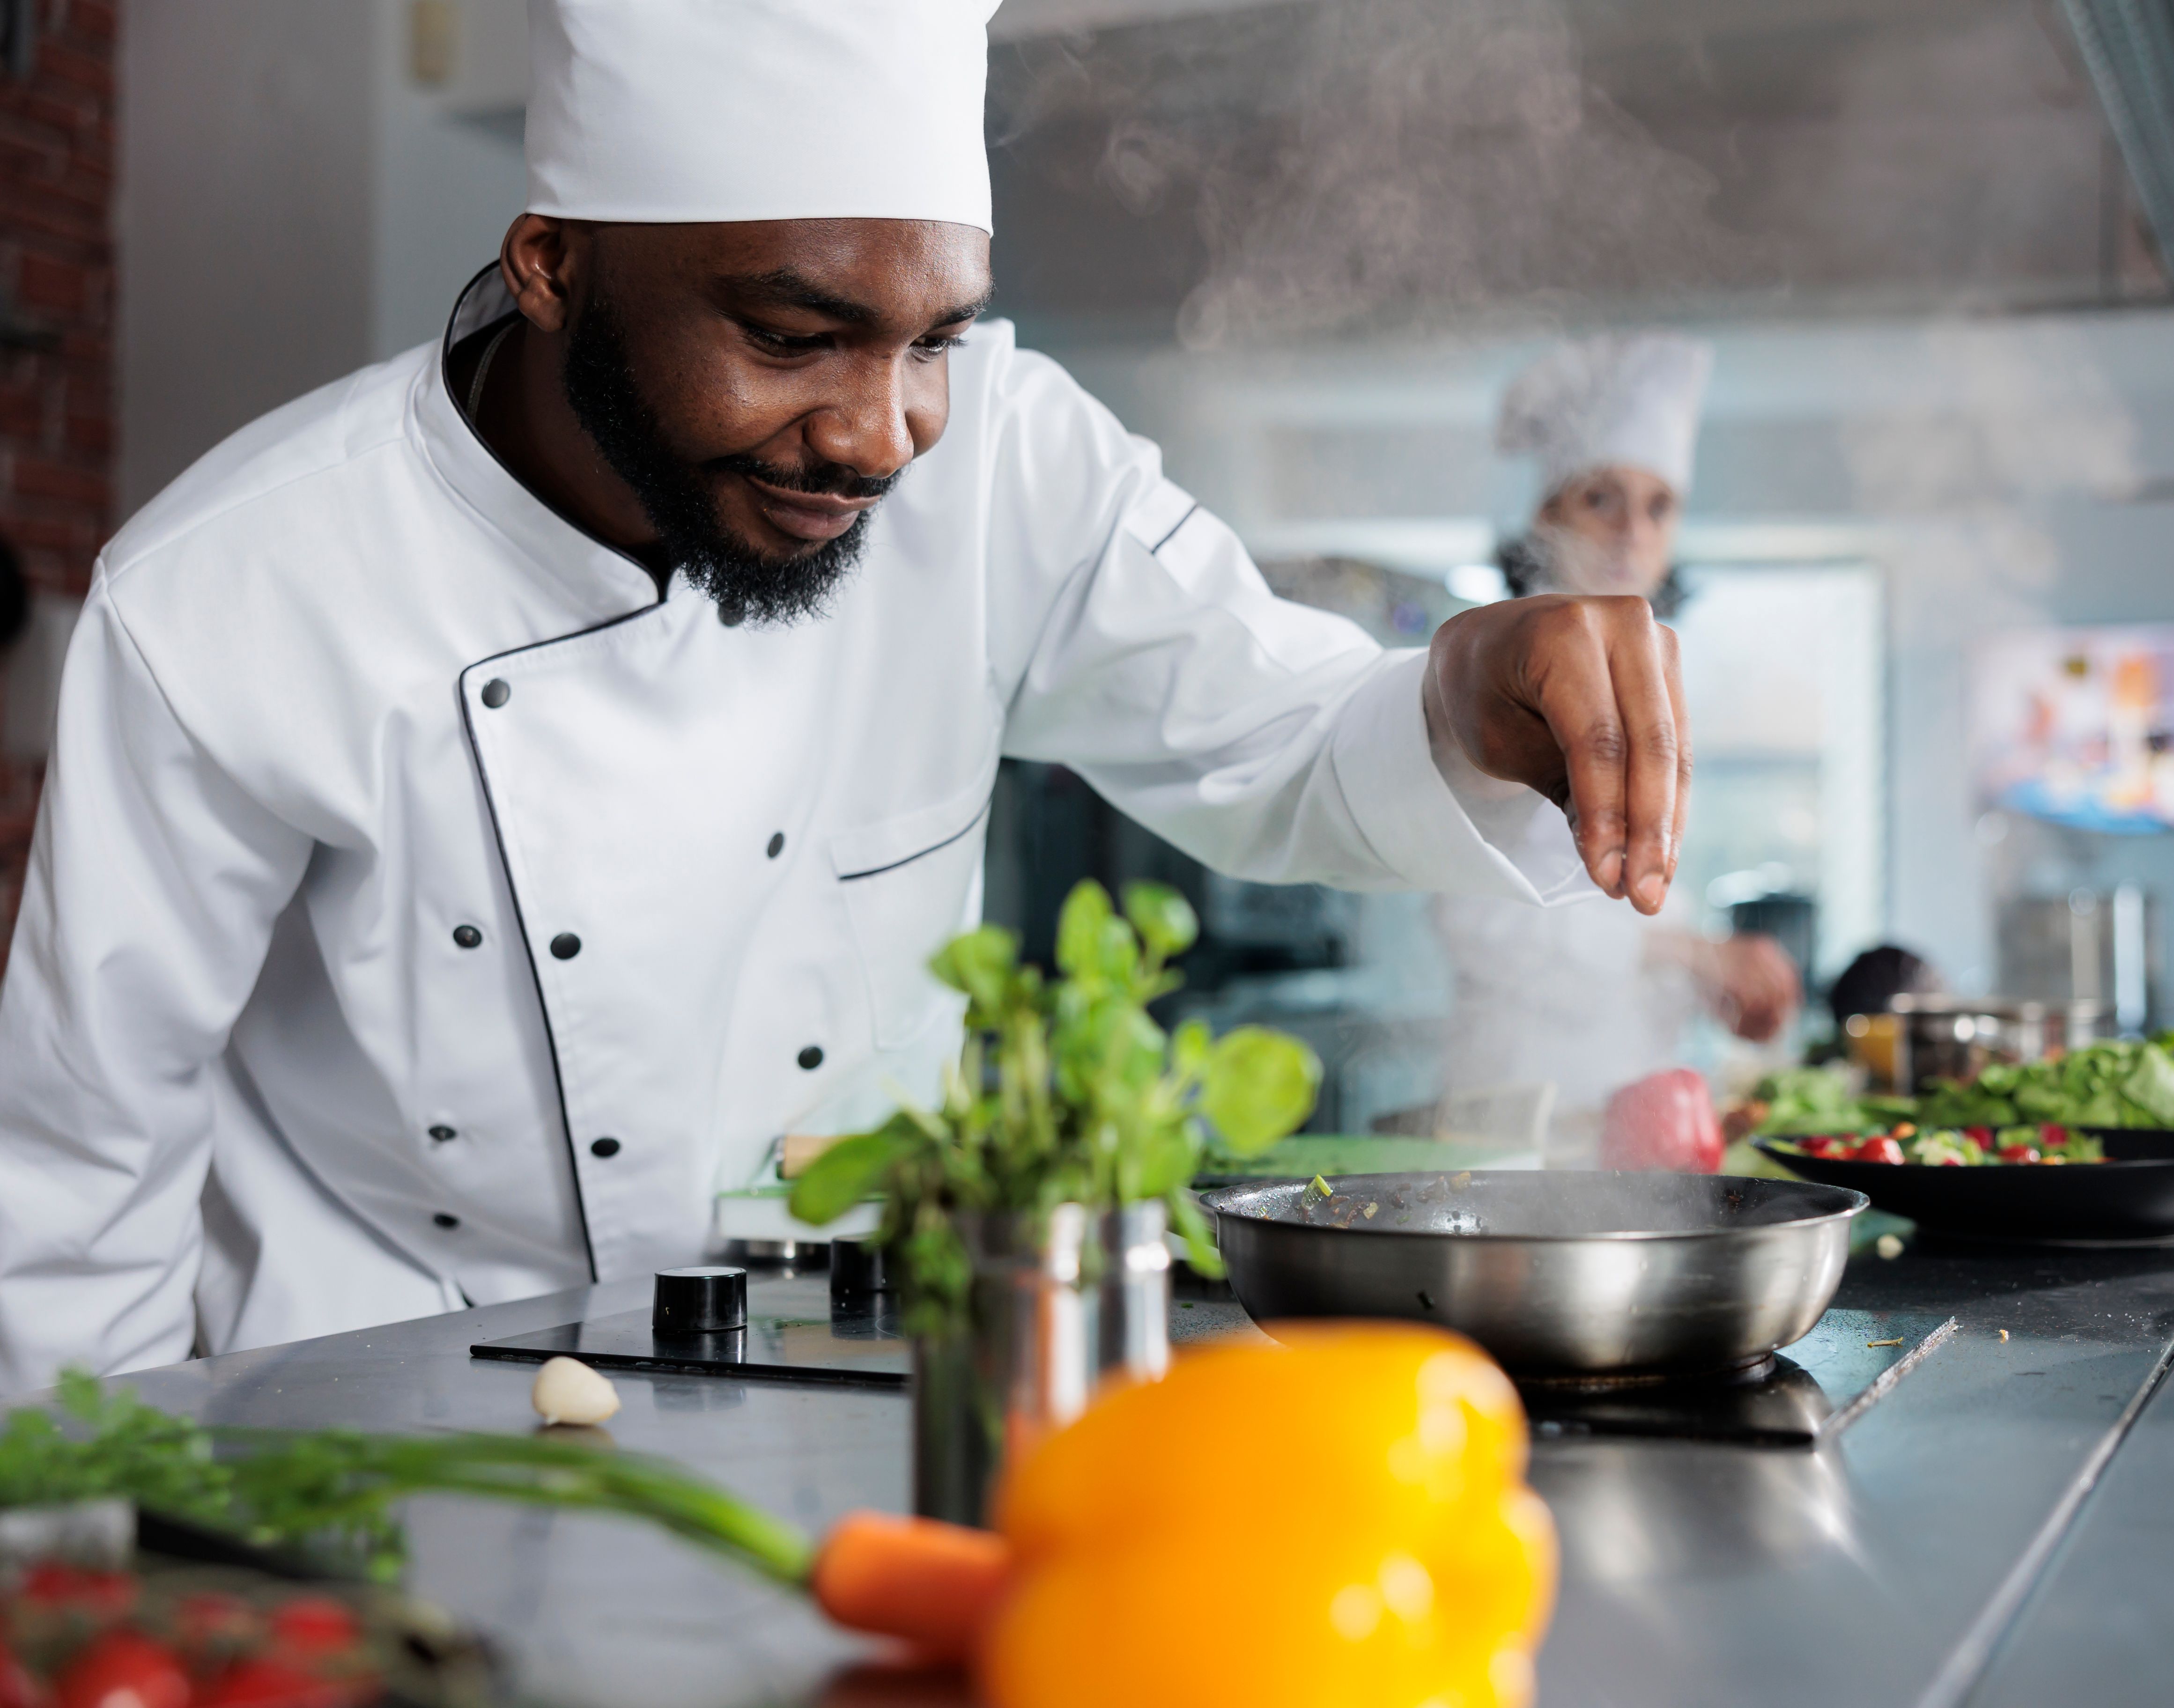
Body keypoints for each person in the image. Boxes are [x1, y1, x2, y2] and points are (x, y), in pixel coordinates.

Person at [0, 1, 1692, 1393]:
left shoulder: (1006, 465)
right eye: (795, 335)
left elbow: (1287, 738)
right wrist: (97, 1551)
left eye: (932, 342)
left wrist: (1465, 685)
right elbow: (81, 1171)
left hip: (862, 1409)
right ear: (551, 263)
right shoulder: (234, 592)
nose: (882, 431)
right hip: (378, 1452)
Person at [1435, 333, 1800, 1131]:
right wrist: (1699, 956)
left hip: (1633, 1103)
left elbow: (1629, 909)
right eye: (1601, 498)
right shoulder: (1497, 676)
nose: (1633, 531)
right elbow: (1480, 922)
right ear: (1546, 517)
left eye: (1658, 505)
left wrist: (1714, 990)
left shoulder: (1650, 682)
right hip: (1525, 1107)